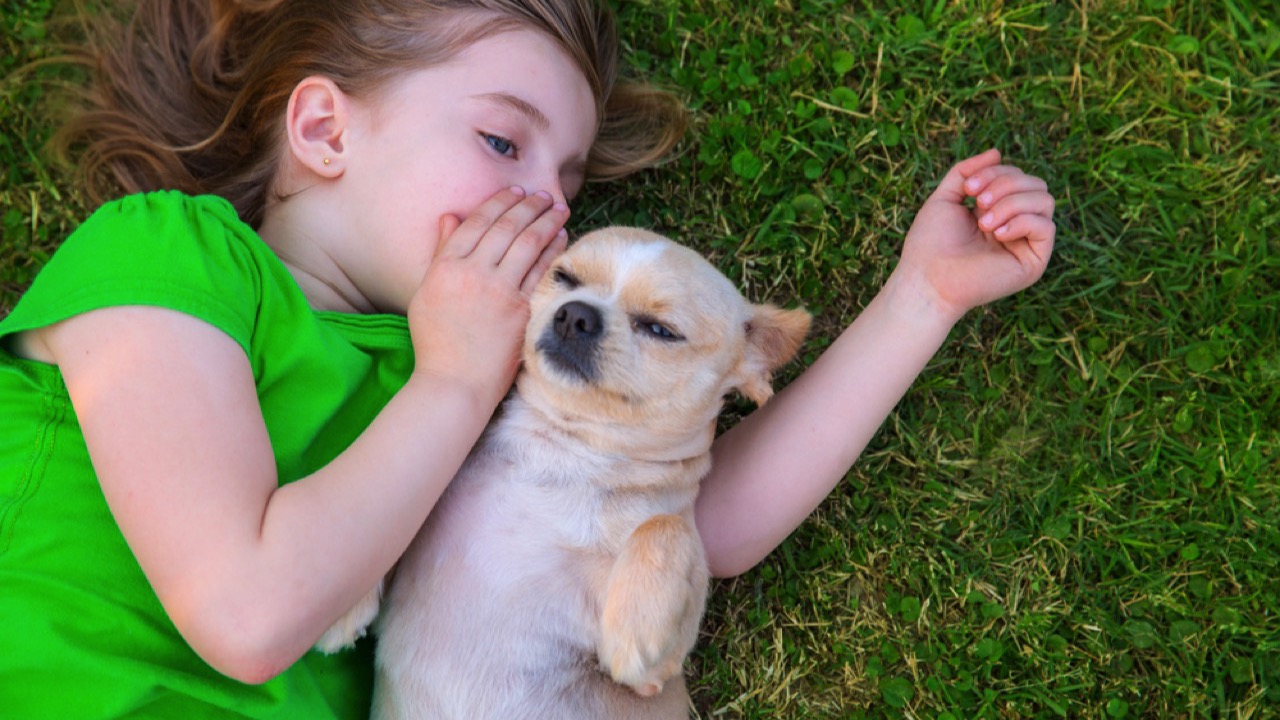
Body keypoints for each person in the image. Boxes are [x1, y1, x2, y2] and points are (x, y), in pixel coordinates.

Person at [0, 0, 1055, 717]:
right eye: (503, 143)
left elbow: (699, 517)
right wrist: (451, 380)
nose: (547, 206)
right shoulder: (168, 257)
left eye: (567, 182)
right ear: (324, 129)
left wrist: (921, 299)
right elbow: (248, 611)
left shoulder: (486, 361)